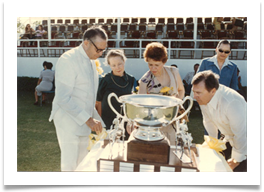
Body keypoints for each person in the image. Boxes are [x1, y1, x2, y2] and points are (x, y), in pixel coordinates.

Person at [49, 26, 108, 171]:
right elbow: (63, 98)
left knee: (82, 165)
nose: (100, 54)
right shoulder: (68, 59)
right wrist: (88, 119)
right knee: (69, 166)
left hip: (84, 123)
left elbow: (87, 97)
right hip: (67, 120)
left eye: (103, 50)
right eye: (98, 49)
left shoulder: (90, 60)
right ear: (86, 42)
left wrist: (102, 125)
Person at [191, 70, 247, 172]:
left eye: (198, 92)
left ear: (213, 91)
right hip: (228, 136)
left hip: (246, 140)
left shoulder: (232, 102)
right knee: (215, 164)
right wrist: (213, 144)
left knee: (238, 171)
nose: (194, 96)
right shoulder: (203, 97)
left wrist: (236, 160)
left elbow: (241, 134)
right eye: (193, 91)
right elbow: (208, 121)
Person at [138, 42, 185, 145]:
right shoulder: (144, 81)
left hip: (172, 119)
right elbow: (140, 104)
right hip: (155, 123)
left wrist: (177, 102)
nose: (153, 68)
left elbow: (181, 90)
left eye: (157, 65)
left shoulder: (174, 72)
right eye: (150, 64)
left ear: (164, 62)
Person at [96, 49, 136, 139]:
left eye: (119, 64)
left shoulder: (131, 79)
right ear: (109, 65)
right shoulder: (106, 79)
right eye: (113, 65)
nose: (117, 67)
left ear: (124, 61)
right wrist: (100, 121)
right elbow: (98, 102)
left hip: (124, 120)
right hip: (107, 120)